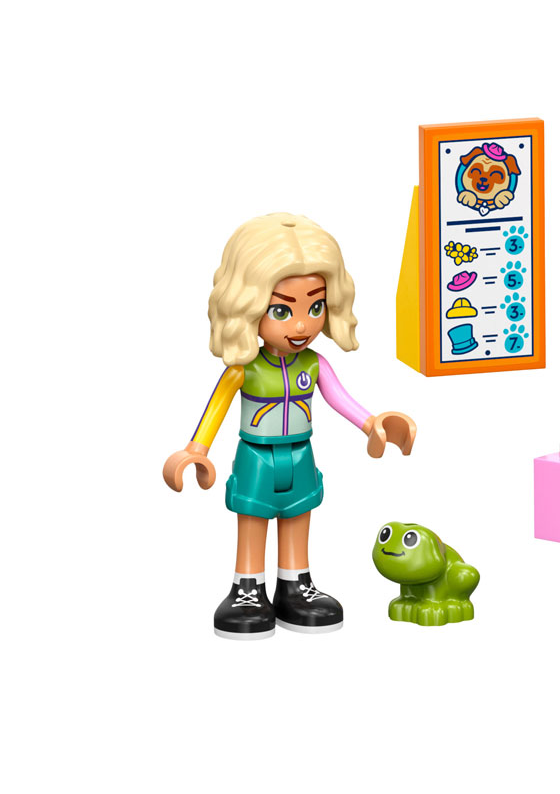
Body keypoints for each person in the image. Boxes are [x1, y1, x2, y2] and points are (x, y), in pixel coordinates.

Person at [163, 212, 415, 640]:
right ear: (246, 306)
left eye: (315, 307)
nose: (302, 325)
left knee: (299, 514)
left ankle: (295, 584)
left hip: (301, 454)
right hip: (256, 456)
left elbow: (339, 398)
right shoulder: (244, 369)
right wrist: (196, 451)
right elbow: (215, 411)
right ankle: (247, 588)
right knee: (253, 517)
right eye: (282, 310)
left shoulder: (313, 364)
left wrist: (373, 423)